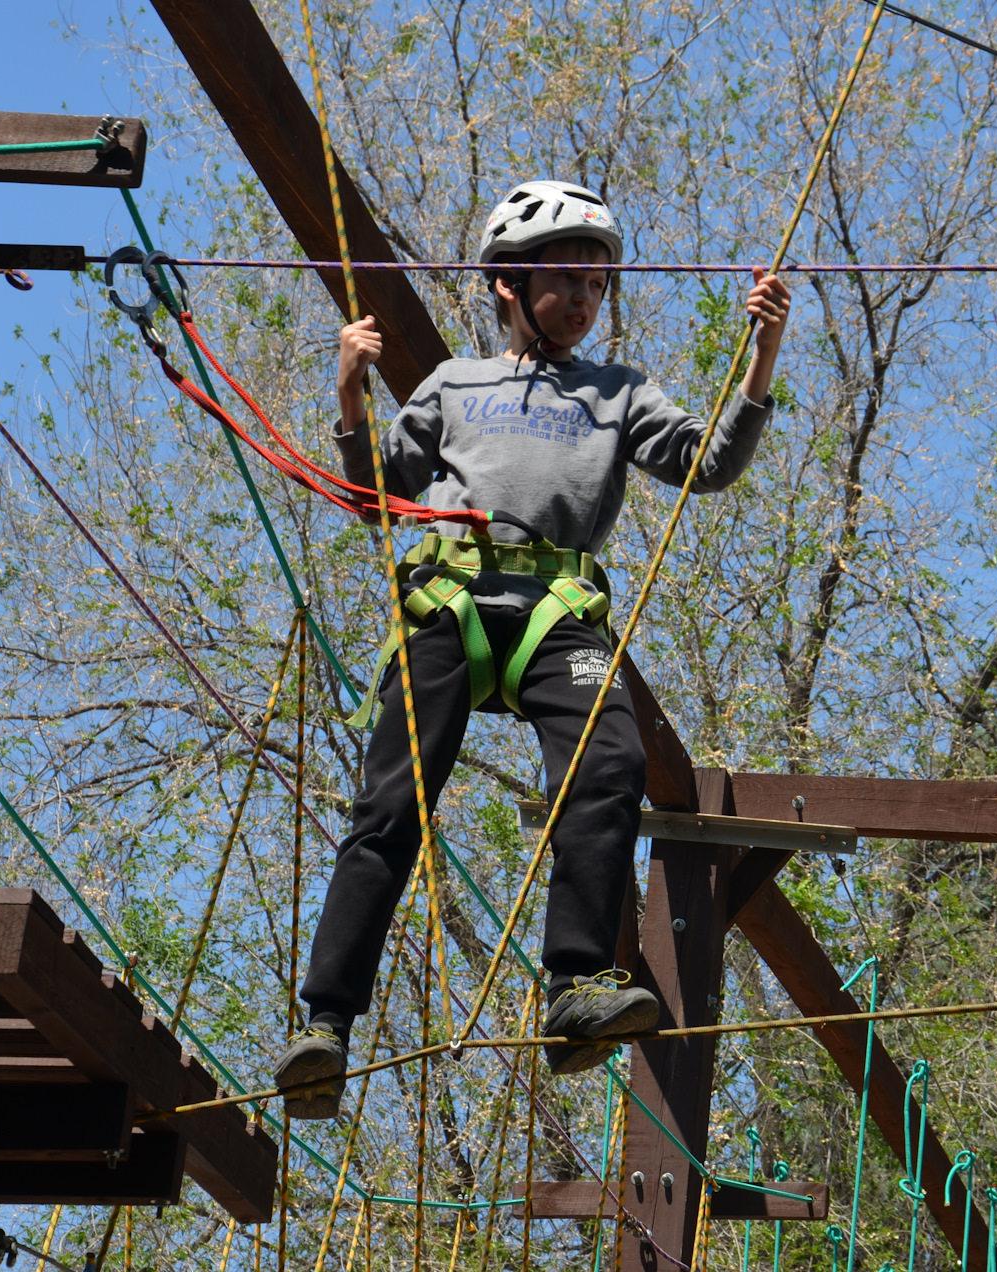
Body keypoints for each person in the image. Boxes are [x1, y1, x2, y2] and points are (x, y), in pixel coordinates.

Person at [272, 180, 792, 1117]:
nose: (589, 297)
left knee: (611, 763)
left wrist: (760, 361)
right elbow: (371, 489)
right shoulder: (454, 386)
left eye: (600, 282)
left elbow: (705, 466)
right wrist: (349, 389)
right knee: (391, 804)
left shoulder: (620, 391)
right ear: (508, 282)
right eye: (570, 276)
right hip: (449, 598)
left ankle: (578, 988)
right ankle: (324, 1026)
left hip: (556, 611)